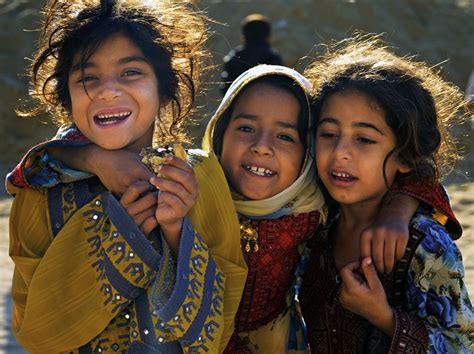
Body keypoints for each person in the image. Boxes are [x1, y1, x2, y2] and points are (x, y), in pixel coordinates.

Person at [8, 63, 462, 353]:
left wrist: (400, 206)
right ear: (219, 133)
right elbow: (39, 166)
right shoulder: (190, 187)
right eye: (245, 128)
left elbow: (411, 171)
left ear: (302, 154)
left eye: (286, 135)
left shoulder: (317, 203)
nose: (262, 148)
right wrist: (95, 157)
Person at [7, 0, 249, 352]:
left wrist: (177, 232)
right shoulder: (40, 192)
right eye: (88, 78)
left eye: (131, 72)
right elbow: (37, 333)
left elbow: (218, 331)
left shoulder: (202, 177)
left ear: (164, 88)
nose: (107, 90)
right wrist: (118, 239)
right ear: (67, 95)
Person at [299, 35, 474, 352]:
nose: (340, 153)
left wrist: (383, 317)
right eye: (328, 134)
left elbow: (462, 346)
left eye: (364, 139)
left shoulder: (425, 245)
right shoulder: (314, 220)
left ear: (405, 158)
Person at [220, 14, 283, 94]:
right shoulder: (272, 57)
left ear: (244, 35)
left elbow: (225, 89)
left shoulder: (234, 57)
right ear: (267, 35)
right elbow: (280, 88)